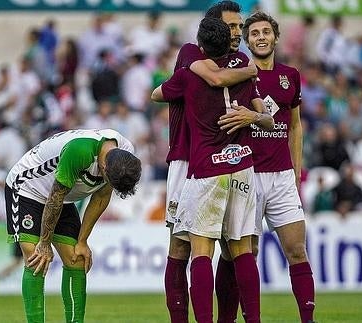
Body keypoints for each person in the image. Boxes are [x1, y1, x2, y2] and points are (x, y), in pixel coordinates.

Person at [152, 17, 274, 323]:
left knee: (201, 251)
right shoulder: (244, 71)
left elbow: (156, 94)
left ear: (201, 45)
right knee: (242, 249)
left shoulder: (190, 74)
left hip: (206, 169)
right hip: (243, 166)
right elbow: (268, 118)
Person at [215, 11, 317, 323]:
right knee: (240, 256)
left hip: (282, 176)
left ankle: (308, 319)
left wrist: (296, 173)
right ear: (246, 41)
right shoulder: (237, 76)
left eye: (265, 32)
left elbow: (295, 127)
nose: (261, 37)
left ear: (275, 37)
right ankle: (228, 318)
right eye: (254, 33)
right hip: (246, 174)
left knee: (297, 251)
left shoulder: (291, 76)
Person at [4, 128, 141, 323]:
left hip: (64, 197)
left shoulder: (124, 156)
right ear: (103, 166)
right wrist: (45, 243)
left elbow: (101, 196)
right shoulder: (80, 151)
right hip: (28, 189)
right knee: (36, 258)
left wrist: (83, 241)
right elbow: (54, 197)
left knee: (77, 258)